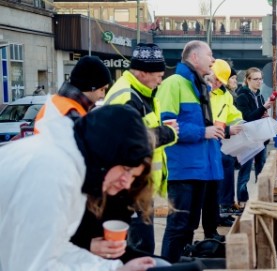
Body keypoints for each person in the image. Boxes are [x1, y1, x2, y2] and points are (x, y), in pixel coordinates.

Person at [0, 103, 156, 270]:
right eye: (126, 169)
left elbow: (56, 249)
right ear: (106, 152)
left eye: (133, 176)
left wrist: (116, 268)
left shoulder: (71, 165)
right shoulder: (54, 172)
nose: (127, 183)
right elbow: (37, 265)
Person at [103, 42, 178, 256]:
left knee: (140, 247)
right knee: (138, 250)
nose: (161, 80)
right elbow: (130, 143)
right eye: (158, 75)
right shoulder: (127, 97)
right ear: (143, 72)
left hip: (138, 187)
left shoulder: (142, 93)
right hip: (127, 189)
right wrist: (166, 133)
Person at [157, 40, 223, 263]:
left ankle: (178, 265)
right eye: (209, 55)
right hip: (182, 170)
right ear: (194, 57)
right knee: (177, 227)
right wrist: (202, 132)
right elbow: (167, 125)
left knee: (188, 227)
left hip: (198, 169)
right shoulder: (174, 83)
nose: (213, 60)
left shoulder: (199, 85)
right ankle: (167, 267)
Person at [208, 59, 244, 225]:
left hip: (221, 145)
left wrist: (243, 125)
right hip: (209, 144)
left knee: (223, 178)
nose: (216, 84)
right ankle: (218, 214)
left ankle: (220, 214)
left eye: (219, 81)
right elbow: (206, 123)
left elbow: (235, 115)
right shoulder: (202, 94)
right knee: (211, 187)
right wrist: (228, 130)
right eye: (214, 79)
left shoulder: (225, 96)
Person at [35, 55, 111, 125]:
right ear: (91, 87)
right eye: (102, 89)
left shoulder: (56, 102)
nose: (103, 95)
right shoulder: (72, 113)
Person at [234, 67, 272, 204]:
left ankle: (260, 199)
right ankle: (242, 201)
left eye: (261, 79)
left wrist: (264, 115)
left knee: (261, 170)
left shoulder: (259, 96)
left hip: (260, 138)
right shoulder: (242, 96)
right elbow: (247, 118)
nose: (259, 82)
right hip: (247, 139)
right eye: (255, 79)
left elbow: (257, 116)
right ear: (247, 80)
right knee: (245, 173)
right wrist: (263, 108)